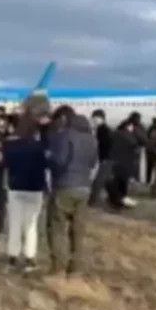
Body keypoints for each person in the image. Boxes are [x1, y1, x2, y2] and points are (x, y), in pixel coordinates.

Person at [46, 113, 98, 279]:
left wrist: (49, 158)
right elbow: (92, 163)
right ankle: (75, 268)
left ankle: (58, 267)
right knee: (78, 229)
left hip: (65, 185)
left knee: (57, 226)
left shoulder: (65, 136)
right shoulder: (91, 140)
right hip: (84, 187)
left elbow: (60, 161)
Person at [0, 116, 47, 272]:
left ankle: (12, 257)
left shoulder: (11, 146)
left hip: (16, 187)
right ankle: (30, 258)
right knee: (31, 225)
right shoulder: (41, 147)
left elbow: (5, 165)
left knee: (15, 223)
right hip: (35, 188)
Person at [106, 119, 138, 209]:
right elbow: (134, 144)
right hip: (125, 163)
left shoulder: (114, 134)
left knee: (115, 182)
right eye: (131, 126)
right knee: (122, 184)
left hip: (114, 161)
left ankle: (114, 200)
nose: (133, 128)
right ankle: (119, 202)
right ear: (127, 126)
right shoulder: (127, 136)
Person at [88, 110, 113, 207]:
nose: (93, 121)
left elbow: (103, 146)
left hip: (105, 159)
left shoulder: (103, 130)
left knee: (99, 180)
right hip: (107, 158)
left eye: (94, 119)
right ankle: (113, 198)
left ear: (100, 119)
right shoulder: (103, 129)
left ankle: (93, 200)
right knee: (106, 180)